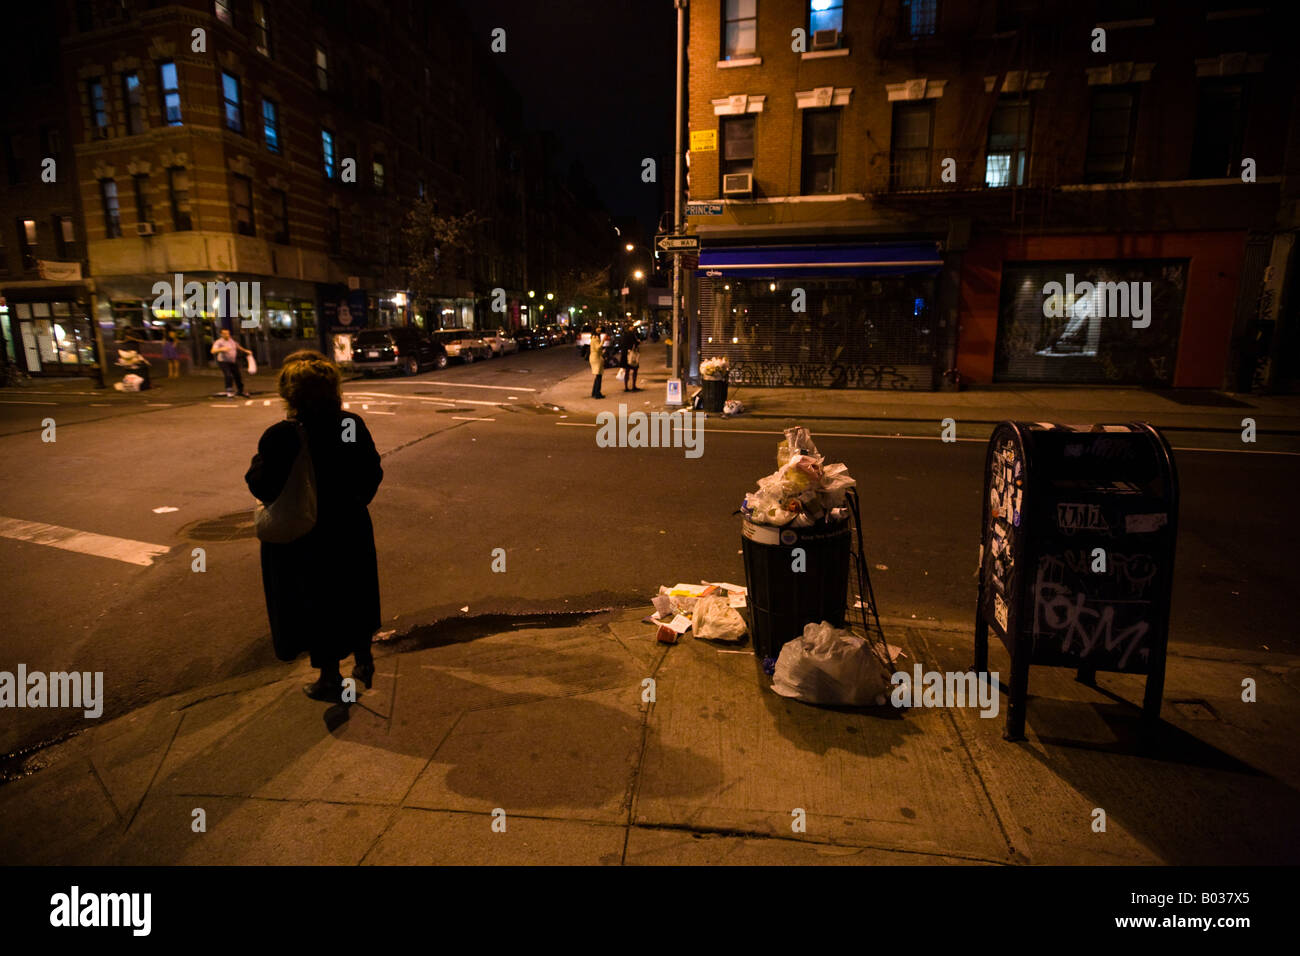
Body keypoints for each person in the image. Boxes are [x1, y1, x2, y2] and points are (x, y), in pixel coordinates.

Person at [245, 350, 383, 702]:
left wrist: (258, 463)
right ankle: (364, 658)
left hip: (307, 535)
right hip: (349, 525)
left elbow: (264, 486)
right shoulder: (348, 425)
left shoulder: (283, 436)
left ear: (290, 395)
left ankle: (330, 677)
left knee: (318, 600)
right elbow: (369, 471)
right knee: (355, 591)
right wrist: (353, 503)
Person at [211, 327, 251, 397]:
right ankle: (229, 390)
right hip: (223, 361)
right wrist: (221, 349)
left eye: (228, 333)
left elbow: (237, 346)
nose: (227, 335)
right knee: (228, 375)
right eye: (225, 334)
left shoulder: (231, 340)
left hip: (232, 361)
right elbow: (213, 351)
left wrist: (245, 350)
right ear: (221, 334)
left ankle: (240, 390)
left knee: (237, 375)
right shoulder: (219, 342)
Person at [589, 330, 605, 398]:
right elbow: (598, 348)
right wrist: (602, 342)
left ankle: (594, 392)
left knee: (598, 376)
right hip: (596, 358)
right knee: (599, 376)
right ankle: (597, 393)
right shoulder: (595, 338)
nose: (600, 330)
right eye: (598, 328)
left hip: (595, 357)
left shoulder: (594, 337)